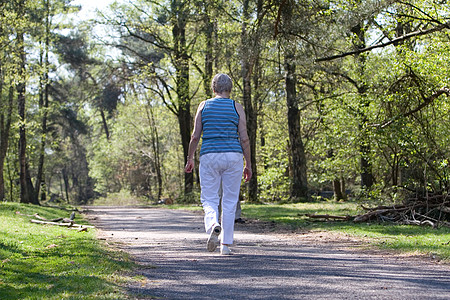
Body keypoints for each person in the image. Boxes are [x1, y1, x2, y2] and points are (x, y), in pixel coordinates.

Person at [184, 73, 252, 255]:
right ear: (229, 89)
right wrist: (249, 164)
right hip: (233, 156)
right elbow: (244, 139)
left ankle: (214, 224)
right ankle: (225, 246)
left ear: (213, 89)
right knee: (230, 200)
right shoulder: (237, 107)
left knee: (209, 198)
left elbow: (195, 136)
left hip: (209, 156)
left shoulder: (204, 106)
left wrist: (190, 158)